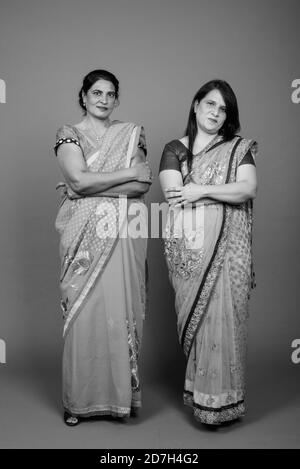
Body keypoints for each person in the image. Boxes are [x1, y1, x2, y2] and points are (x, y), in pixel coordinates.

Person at [54, 69, 151, 426]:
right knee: (83, 317)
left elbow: (141, 184)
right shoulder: (69, 135)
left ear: (117, 100)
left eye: (111, 94)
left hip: (122, 235)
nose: (103, 99)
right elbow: (76, 177)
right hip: (82, 240)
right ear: (83, 96)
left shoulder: (131, 135)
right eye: (96, 92)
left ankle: (118, 400)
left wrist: (84, 188)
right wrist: (121, 176)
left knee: (119, 312)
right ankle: (78, 402)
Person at [159, 79, 258, 426]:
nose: (216, 113)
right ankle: (203, 398)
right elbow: (173, 195)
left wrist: (199, 188)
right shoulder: (175, 148)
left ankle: (225, 402)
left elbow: (247, 188)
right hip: (190, 250)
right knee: (202, 323)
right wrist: (217, 193)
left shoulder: (237, 148)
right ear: (197, 104)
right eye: (211, 104)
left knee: (227, 319)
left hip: (229, 250)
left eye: (223, 109)